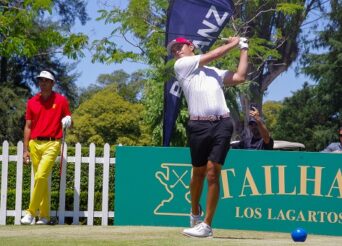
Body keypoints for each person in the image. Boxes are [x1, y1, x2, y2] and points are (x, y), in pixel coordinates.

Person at [167, 36, 248, 237]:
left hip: (222, 123)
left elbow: (240, 77)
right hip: (198, 125)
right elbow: (213, 55)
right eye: (173, 49)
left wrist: (244, 47)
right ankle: (195, 211)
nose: (176, 51)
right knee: (198, 173)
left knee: (213, 172)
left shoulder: (214, 73)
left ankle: (207, 225)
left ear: (190, 46)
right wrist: (233, 43)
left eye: (179, 47)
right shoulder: (182, 65)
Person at [21, 70, 72, 225]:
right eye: (40, 80)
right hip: (34, 144)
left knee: (41, 176)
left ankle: (30, 213)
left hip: (53, 143)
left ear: (52, 83)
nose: (42, 83)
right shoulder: (32, 102)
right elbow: (28, 126)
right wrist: (25, 150)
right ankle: (44, 216)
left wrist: (68, 120)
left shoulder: (61, 100)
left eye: (46, 80)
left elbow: (70, 120)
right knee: (40, 180)